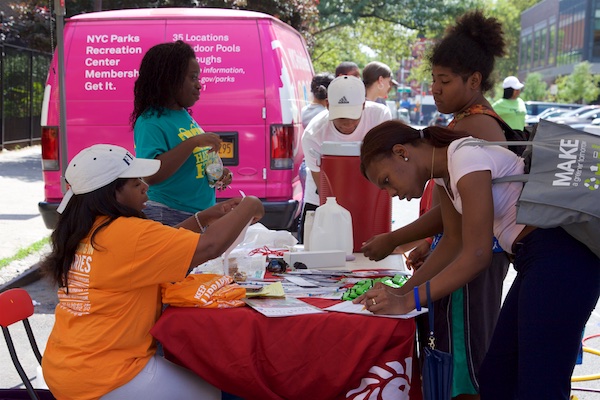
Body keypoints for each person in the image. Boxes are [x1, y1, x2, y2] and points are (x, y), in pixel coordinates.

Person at [356, 121, 600, 400]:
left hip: (561, 258)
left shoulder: (465, 159)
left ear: (401, 152)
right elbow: (451, 243)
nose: (391, 193)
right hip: (539, 259)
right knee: (497, 376)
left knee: (540, 383)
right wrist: (401, 291)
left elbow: (477, 254)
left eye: (386, 181)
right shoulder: (445, 171)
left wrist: (409, 300)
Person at [361, 10, 512, 399]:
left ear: (474, 81)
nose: (435, 90)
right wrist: (403, 292)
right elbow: (452, 224)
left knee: (466, 363)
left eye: (444, 81)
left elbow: (466, 241)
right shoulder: (451, 139)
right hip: (479, 252)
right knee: (460, 359)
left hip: (488, 256)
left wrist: (405, 287)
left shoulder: (468, 137)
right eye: (433, 80)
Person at [40, 144, 264, 400]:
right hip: (108, 375)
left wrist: (205, 217)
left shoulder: (86, 228)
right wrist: (251, 205)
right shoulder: (126, 232)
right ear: (111, 194)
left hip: (66, 367)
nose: (146, 187)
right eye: (136, 184)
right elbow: (211, 246)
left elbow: (154, 248)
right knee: (225, 390)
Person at [131, 40, 233, 226]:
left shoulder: (182, 115)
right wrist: (193, 142)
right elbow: (150, 175)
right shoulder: (150, 122)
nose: (199, 85)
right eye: (193, 78)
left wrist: (218, 174)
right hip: (169, 214)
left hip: (196, 214)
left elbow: (187, 165)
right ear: (170, 80)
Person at [298, 75, 391, 241]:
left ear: (363, 106)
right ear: (327, 105)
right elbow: (322, 183)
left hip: (367, 197)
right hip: (323, 202)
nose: (347, 122)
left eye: (352, 116)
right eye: (341, 116)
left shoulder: (379, 117)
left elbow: (386, 165)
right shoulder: (313, 134)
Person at [297, 72, 335, 240]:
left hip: (307, 162)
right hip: (316, 164)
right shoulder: (322, 117)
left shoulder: (304, 111)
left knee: (310, 203)